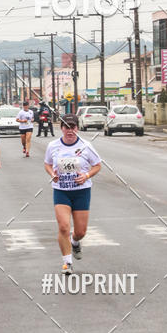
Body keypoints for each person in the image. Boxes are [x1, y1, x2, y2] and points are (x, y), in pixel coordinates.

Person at [44, 115, 102, 275]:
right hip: (61, 190)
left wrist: (86, 176)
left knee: (81, 231)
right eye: (66, 127)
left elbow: (97, 166)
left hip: (81, 192)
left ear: (77, 128)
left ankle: (75, 242)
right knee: (63, 226)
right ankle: (67, 262)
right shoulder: (53, 146)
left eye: (73, 127)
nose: (70, 130)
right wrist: (52, 174)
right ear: (61, 128)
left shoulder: (86, 146)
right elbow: (47, 164)